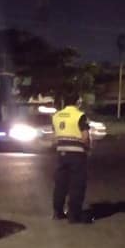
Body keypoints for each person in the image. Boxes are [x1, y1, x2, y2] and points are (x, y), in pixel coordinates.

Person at [52, 93, 93, 223]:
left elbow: (55, 135)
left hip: (61, 153)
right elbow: (85, 136)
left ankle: (58, 212)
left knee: (60, 184)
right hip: (77, 154)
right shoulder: (80, 116)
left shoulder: (56, 116)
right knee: (77, 184)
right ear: (77, 102)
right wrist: (88, 148)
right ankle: (74, 215)